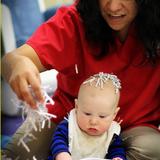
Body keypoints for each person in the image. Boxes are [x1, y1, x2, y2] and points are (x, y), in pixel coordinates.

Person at [1, 0, 160, 159]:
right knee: (17, 153)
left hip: (138, 125)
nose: (113, 7)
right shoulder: (74, 20)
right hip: (69, 118)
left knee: (153, 149)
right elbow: (12, 59)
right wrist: (17, 64)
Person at [48, 72, 126, 160]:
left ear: (114, 115)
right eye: (87, 114)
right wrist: (62, 154)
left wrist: (118, 157)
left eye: (102, 116)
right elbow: (58, 140)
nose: (93, 121)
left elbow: (117, 150)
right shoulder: (69, 125)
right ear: (77, 107)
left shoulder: (111, 134)